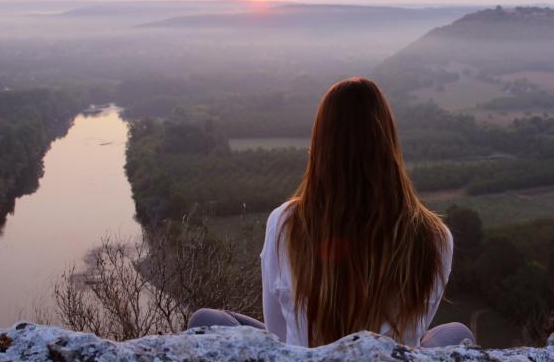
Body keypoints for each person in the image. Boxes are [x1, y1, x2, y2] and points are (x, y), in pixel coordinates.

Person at [188, 77, 474, 348]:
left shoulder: (286, 223)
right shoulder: (435, 236)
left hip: (306, 356)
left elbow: (277, 331)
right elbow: (420, 321)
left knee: (205, 320)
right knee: (457, 332)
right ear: (389, 144)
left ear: (320, 145)